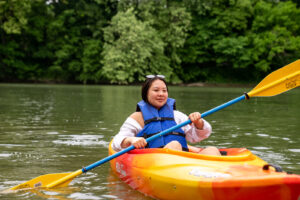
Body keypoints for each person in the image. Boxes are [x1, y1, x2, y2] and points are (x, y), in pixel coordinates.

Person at [112, 75, 221, 156]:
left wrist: (198, 122)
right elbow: (116, 143)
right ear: (146, 93)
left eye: (164, 91)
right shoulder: (136, 118)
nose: (161, 94)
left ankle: (214, 179)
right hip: (154, 162)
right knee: (174, 145)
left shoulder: (177, 116)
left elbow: (197, 137)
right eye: (156, 90)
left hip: (185, 163)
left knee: (212, 150)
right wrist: (131, 140)